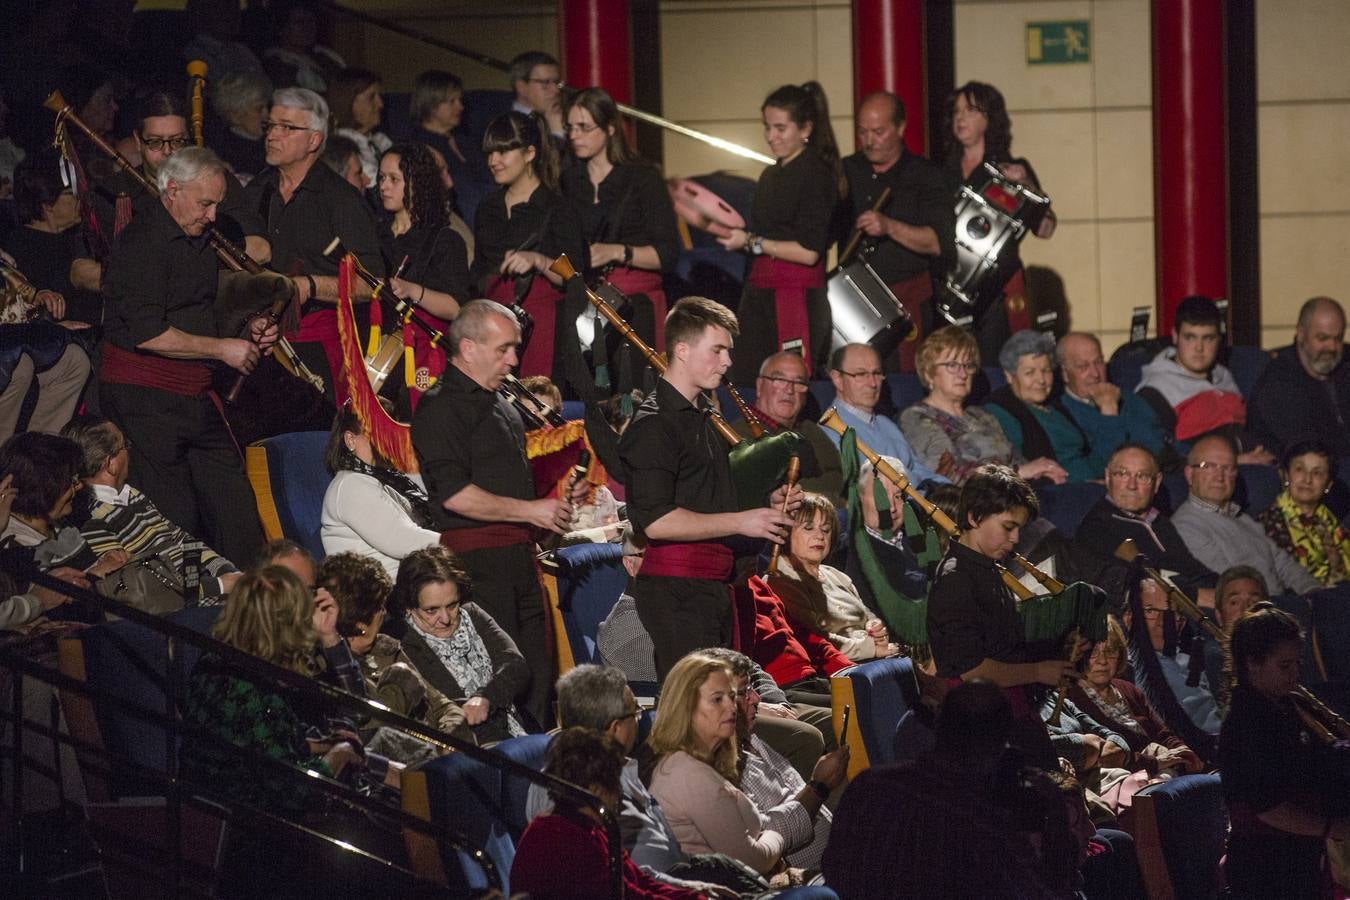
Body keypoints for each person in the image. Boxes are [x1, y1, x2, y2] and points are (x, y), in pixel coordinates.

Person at [411, 300, 584, 725]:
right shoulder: (439, 407)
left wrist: (555, 504)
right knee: (498, 682)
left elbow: (512, 485)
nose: (513, 359)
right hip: (476, 567)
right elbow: (453, 496)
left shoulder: (504, 406)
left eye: (516, 349)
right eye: (504, 349)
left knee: (541, 680)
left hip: (519, 563)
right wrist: (532, 510)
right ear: (468, 348)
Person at [99, 147, 274, 566]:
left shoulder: (199, 240)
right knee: (177, 523)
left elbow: (195, 314)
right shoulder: (141, 243)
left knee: (239, 517)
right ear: (172, 190)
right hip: (146, 403)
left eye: (217, 205)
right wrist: (224, 349)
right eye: (205, 203)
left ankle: (254, 613)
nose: (213, 216)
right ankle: (185, 623)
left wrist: (245, 333)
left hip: (194, 398)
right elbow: (149, 333)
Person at [618, 297, 797, 679]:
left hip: (710, 587)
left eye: (728, 351)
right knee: (695, 721)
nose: (728, 361)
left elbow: (708, 498)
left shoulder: (702, 417)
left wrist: (766, 506)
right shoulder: (654, 425)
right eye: (717, 350)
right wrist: (741, 521)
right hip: (676, 594)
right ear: (681, 350)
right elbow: (657, 522)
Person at [180, 565, 386, 897]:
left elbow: (263, 748)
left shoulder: (218, 661)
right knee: (383, 845)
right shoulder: (251, 689)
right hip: (252, 838)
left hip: (245, 812)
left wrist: (318, 746)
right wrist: (339, 754)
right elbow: (296, 791)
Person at [823, 680, 1076, 898]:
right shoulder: (985, 821)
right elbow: (1044, 892)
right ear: (1001, 744)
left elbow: (833, 869)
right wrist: (1055, 814)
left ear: (939, 724)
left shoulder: (869, 785)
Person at [524, 665, 760, 896]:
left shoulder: (621, 765)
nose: (640, 720)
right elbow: (611, 880)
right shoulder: (569, 785)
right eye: (635, 712)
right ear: (615, 728)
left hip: (675, 877)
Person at [926, 463, 1080, 764]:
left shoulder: (988, 570)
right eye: (1008, 527)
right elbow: (971, 670)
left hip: (1006, 708)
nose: (1015, 539)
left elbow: (1004, 645)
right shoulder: (956, 578)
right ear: (973, 517)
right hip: (980, 723)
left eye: (1019, 529)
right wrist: (1038, 671)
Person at [241, 86, 384, 400]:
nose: (272, 135)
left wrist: (309, 286)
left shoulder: (340, 200)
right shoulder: (256, 191)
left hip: (319, 347)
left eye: (287, 127)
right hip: (259, 341)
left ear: (314, 140)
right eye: (271, 126)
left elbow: (372, 283)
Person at [1219, 603, 1350, 898]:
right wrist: (1332, 827)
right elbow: (1267, 807)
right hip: (1266, 869)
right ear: (1253, 663)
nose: (1294, 675)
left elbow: (1320, 763)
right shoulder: (1245, 722)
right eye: (1284, 666)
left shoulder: (1284, 708)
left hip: (1298, 857)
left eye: (1296, 664)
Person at [720, 83, 841, 381]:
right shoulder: (771, 173)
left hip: (795, 295)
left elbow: (809, 251)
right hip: (761, 292)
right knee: (748, 379)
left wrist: (753, 242)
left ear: (805, 129)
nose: (771, 136)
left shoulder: (816, 174)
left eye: (780, 128)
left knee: (790, 381)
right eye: (767, 127)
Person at [64, 415, 242, 603]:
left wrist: (224, 571)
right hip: (177, 609)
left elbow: (181, 540)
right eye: (125, 446)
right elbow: (139, 588)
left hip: (199, 589)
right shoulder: (94, 521)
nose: (129, 452)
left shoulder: (131, 493)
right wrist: (219, 586)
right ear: (111, 464)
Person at [644, 652, 791, 878]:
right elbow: (753, 862)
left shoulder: (704, 761)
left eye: (732, 696)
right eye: (717, 699)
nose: (732, 708)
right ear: (686, 705)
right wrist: (775, 835)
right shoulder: (688, 773)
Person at [512, 728, 705, 900]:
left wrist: (693, 895)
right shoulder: (561, 840)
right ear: (596, 790)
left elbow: (637, 880)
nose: (619, 794)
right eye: (615, 783)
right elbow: (627, 895)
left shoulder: (591, 829)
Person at [941, 82, 1056, 361]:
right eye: (956, 112)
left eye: (969, 111)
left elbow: (1045, 228)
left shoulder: (1010, 168)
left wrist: (1027, 184)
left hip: (999, 287)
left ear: (989, 118)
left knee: (1000, 360)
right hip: (952, 283)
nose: (960, 118)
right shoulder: (942, 171)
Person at [841, 91, 955, 372]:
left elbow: (938, 243)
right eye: (863, 132)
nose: (869, 140)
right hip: (854, 299)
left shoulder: (925, 175)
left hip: (905, 300)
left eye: (878, 132)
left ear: (900, 128)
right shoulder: (847, 170)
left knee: (903, 377)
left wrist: (889, 226)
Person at [562, 87, 680, 355]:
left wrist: (616, 251)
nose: (574, 136)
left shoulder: (642, 177)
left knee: (634, 390)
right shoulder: (569, 180)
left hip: (633, 301)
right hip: (586, 299)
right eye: (570, 128)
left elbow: (668, 254)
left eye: (584, 127)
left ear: (610, 128)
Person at [91, 87, 269, 264]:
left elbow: (261, 249)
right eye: (155, 142)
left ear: (188, 140)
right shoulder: (111, 191)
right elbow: (80, 270)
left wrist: (178, 269)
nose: (167, 151)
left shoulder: (217, 181)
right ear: (138, 141)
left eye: (177, 141)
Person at [705, 647, 845, 871]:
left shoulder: (748, 736)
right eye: (744, 692)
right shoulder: (713, 766)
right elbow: (763, 841)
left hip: (834, 859)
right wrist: (819, 787)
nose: (757, 699)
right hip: (807, 880)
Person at [470, 110, 586, 379]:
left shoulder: (558, 208)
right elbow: (477, 271)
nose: (493, 161)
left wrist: (539, 260)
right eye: (490, 153)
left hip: (541, 325)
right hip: (493, 323)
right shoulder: (487, 208)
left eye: (503, 152)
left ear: (530, 153)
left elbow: (576, 276)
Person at [316, 552, 470, 744]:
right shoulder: (329, 670)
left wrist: (446, 746)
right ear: (364, 620)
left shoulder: (384, 648)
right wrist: (400, 686)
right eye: (380, 606)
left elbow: (444, 707)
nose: (384, 613)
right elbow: (372, 728)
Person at [391, 545, 531, 744]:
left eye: (452, 605)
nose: (445, 619)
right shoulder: (406, 645)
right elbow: (454, 709)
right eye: (432, 610)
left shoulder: (471, 614)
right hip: (468, 746)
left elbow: (515, 665)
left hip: (513, 730)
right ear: (410, 608)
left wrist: (486, 698)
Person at [900, 325, 1066, 484]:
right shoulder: (918, 417)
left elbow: (1018, 460)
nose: (963, 373)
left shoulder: (981, 415)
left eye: (968, 365)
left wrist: (1043, 470)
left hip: (1017, 495)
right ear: (929, 373)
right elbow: (948, 474)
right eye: (952, 365)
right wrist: (1017, 473)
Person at [376, 142, 471, 403]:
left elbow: (454, 307)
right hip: (377, 356)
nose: (384, 186)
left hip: (419, 358)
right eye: (381, 178)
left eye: (394, 179)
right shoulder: (376, 234)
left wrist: (412, 290)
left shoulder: (444, 239)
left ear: (417, 184)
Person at [1172, 435, 1322, 597]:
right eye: (1208, 466)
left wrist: (1316, 594)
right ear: (1189, 474)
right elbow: (1232, 590)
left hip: (1286, 606)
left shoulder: (1242, 517)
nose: (1220, 477)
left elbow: (1284, 564)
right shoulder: (1185, 527)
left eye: (1228, 468)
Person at [1135, 295, 1273, 464]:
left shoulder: (1225, 376)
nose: (1199, 348)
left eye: (1208, 338)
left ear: (1218, 340)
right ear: (1175, 336)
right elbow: (1159, 458)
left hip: (1250, 468)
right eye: (1190, 337)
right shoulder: (1155, 391)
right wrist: (1233, 462)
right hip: (1202, 478)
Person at [1071, 443, 1217, 602]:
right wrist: (1200, 596)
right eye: (1123, 474)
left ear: (1157, 482)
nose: (1132, 485)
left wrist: (1228, 586)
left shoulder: (1159, 522)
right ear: (1107, 477)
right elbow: (1138, 585)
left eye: (1142, 476)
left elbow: (1191, 568)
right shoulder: (1096, 528)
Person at [768, 491, 899, 661]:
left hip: (872, 658)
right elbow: (815, 639)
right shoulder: (780, 581)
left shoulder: (836, 575)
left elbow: (868, 616)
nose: (820, 536)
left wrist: (875, 628)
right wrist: (871, 648)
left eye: (826, 530)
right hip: (835, 672)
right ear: (786, 532)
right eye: (808, 528)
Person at [1066, 616, 1205, 776]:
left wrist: (1183, 751)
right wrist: (1155, 763)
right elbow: (1106, 758)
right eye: (1093, 653)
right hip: (1123, 780)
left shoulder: (1128, 689)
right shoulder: (1070, 698)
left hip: (1164, 767)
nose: (1103, 661)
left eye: (1110, 651)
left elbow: (1163, 734)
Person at [320, 402, 440, 578]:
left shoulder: (392, 478)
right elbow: (404, 541)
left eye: (390, 430)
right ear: (350, 440)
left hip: (417, 581)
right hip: (379, 596)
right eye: (377, 431)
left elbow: (436, 507)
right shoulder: (350, 485)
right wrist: (464, 543)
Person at [822, 342, 947, 491]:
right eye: (861, 374)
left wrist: (947, 490)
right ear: (837, 379)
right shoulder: (831, 431)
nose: (873, 383)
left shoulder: (885, 424)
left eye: (876, 373)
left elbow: (918, 470)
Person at [986, 329, 1099, 483]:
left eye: (1046, 370)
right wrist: (1086, 485)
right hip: (1062, 493)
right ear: (1009, 376)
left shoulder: (1055, 406)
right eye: (1030, 372)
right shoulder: (1002, 411)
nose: (1041, 380)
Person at [6, 149, 101, 326]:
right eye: (72, 192)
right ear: (47, 202)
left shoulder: (81, 237)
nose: (81, 198)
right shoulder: (17, 250)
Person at [1249, 296, 1350, 459]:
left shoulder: (1345, 364)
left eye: (1337, 338)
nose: (1331, 347)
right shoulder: (1278, 382)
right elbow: (1306, 446)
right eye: (1322, 338)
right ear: (1301, 334)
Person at [736, 351, 843, 502]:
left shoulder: (810, 429)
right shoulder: (739, 433)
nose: (789, 390)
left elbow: (839, 478)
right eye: (779, 379)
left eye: (799, 383)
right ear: (760, 386)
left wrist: (795, 491)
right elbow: (761, 490)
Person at [1056, 331, 1169, 461]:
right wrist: (1109, 411)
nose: (1095, 374)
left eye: (1098, 362)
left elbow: (1158, 447)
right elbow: (1106, 463)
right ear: (1064, 373)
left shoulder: (1129, 399)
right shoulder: (1060, 415)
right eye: (1083, 366)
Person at [1258, 440, 1350, 587]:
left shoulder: (1331, 520)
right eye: (1300, 470)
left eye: (1317, 473)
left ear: (1328, 484)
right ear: (1286, 476)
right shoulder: (1269, 525)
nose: (1307, 480)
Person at [409, 69, 490, 228]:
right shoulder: (420, 145)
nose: (460, 107)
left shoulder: (464, 140)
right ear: (431, 105)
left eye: (460, 100)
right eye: (452, 102)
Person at [261, 0, 345, 93]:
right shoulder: (275, 62)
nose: (307, 27)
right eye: (299, 22)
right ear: (282, 28)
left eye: (311, 21)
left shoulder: (328, 54)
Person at [328, 67, 390, 190]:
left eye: (379, 96)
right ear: (349, 102)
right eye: (371, 97)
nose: (380, 104)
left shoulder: (380, 140)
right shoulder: (342, 149)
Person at [209, 71, 270, 180]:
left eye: (267, 106)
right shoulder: (228, 153)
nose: (267, 114)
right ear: (235, 116)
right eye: (259, 109)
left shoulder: (274, 137)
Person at [509, 51, 564, 138]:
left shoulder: (567, 118)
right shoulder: (504, 124)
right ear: (521, 87)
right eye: (546, 83)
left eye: (557, 83)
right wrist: (557, 134)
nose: (556, 90)